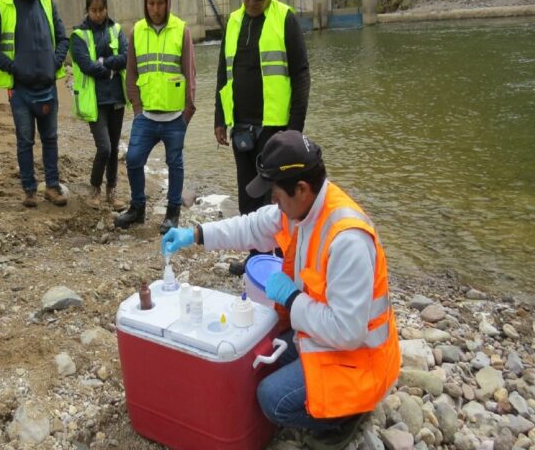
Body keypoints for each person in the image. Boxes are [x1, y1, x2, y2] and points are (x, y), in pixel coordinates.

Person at [162, 131, 400, 447]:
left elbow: (347, 331)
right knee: (257, 356)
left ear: (301, 189)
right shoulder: (302, 207)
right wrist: (196, 234)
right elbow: (250, 227)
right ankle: (326, 399)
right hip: (321, 334)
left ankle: (347, 414)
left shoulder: (348, 240)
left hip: (358, 358)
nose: (274, 204)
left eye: (276, 196)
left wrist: (290, 297)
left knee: (271, 399)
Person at [216, 0, 311, 277]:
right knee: (247, 198)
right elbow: (222, 73)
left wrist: (294, 130)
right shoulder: (232, 22)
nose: (252, 2)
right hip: (241, 126)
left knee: (280, 201)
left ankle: (286, 262)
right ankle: (257, 258)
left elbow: (301, 74)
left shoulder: (285, 19)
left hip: (275, 128)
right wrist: (219, 118)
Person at [0, 0, 69, 208]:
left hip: (47, 85)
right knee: (25, 140)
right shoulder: (2, 4)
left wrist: (54, 64)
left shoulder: (45, 0)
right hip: (20, 89)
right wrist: (13, 68)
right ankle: (29, 189)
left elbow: (63, 38)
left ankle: (52, 187)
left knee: (50, 138)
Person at [114, 0, 196, 234]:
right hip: (146, 116)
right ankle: (138, 208)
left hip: (174, 118)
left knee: (175, 164)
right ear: (145, 4)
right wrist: (137, 108)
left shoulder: (181, 30)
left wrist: (187, 113)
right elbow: (131, 73)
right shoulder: (137, 31)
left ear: (167, 3)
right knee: (134, 159)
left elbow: (190, 74)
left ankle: (173, 213)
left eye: (160, 3)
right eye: (151, 3)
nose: (156, 9)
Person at [69, 0, 128, 211]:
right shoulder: (79, 35)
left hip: (116, 97)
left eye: (101, 9)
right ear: (87, 10)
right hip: (94, 100)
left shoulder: (116, 29)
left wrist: (105, 63)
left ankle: (111, 192)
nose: (98, 14)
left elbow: (126, 56)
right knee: (104, 147)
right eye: (93, 10)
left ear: (106, 8)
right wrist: (108, 67)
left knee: (113, 147)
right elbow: (86, 65)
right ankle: (94, 188)